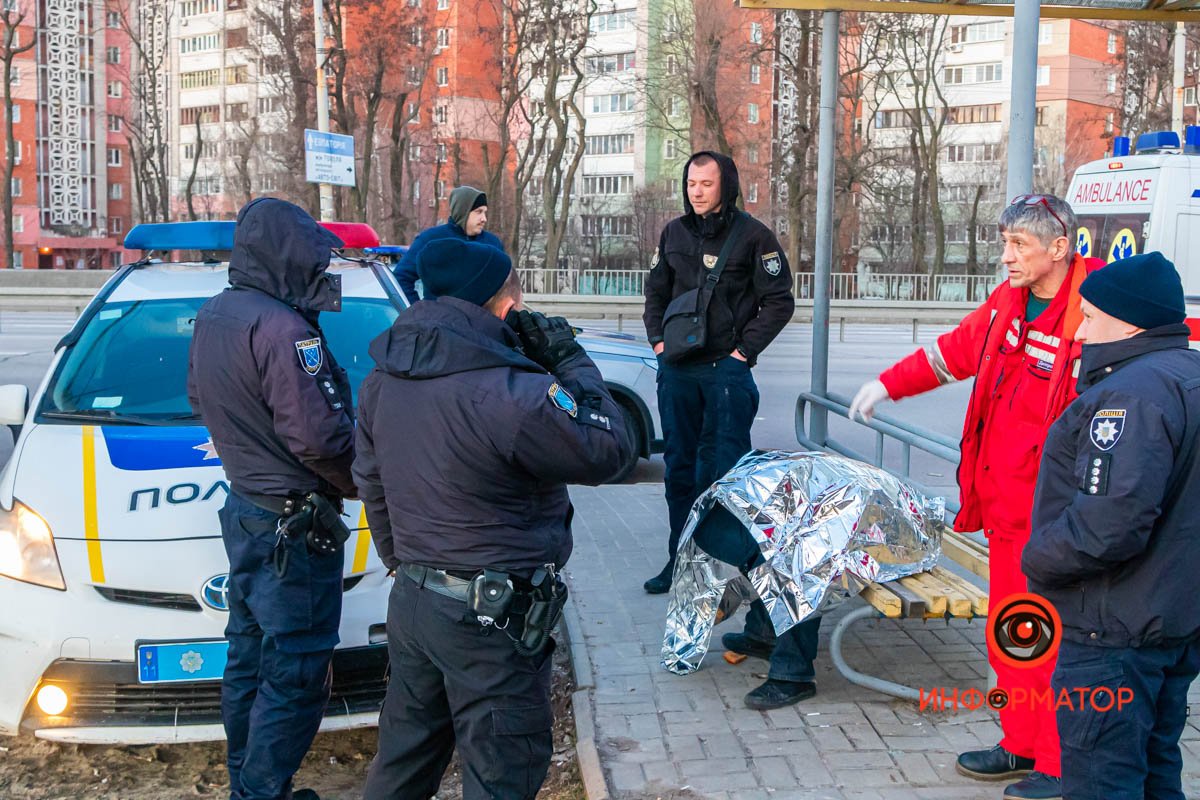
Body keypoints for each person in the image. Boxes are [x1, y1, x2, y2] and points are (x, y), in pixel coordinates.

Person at [354, 237, 631, 799]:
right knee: (502, 770)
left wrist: (401, 561)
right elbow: (610, 450)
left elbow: (371, 479)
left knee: (404, 760)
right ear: (504, 307)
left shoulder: (385, 378)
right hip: (490, 617)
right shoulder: (512, 391)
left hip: (416, 600)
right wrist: (571, 362)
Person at [847, 194, 1104, 800]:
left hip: (1063, 522)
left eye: (1020, 245)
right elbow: (951, 354)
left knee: (1057, 643)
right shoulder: (1006, 305)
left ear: (1060, 248)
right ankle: (1021, 743)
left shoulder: (1096, 312)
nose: (1006, 256)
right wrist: (887, 383)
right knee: (1014, 633)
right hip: (1009, 515)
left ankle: (1062, 766)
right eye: (1005, 241)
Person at [187, 198, 357, 800]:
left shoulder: (215, 314)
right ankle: (260, 792)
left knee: (249, 659)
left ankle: (251, 786)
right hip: (292, 522)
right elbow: (320, 437)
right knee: (297, 668)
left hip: (248, 508)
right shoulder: (284, 328)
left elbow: (200, 401)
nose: (321, 268)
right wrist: (370, 483)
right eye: (313, 256)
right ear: (290, 255)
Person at [1023, 252, 1199, 800]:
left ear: (1129, 324)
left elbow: (1109, 525)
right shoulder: (1186, 377)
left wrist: (1037, 558)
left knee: (1103, 778)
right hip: (1171, 619)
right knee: (1155, 768)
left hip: (1112, 630)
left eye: (1091, 316)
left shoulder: (1128, 396)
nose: (1080, 329)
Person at [393, 185, 503, 303]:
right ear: (463, 211)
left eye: (485, 212)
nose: (484, 219)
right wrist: (419, 311)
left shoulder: (492, 244)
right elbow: (401, 278)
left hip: (482, 320)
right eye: (479, 212)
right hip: (439, 319)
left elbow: (505, 286)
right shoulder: (431, 239)